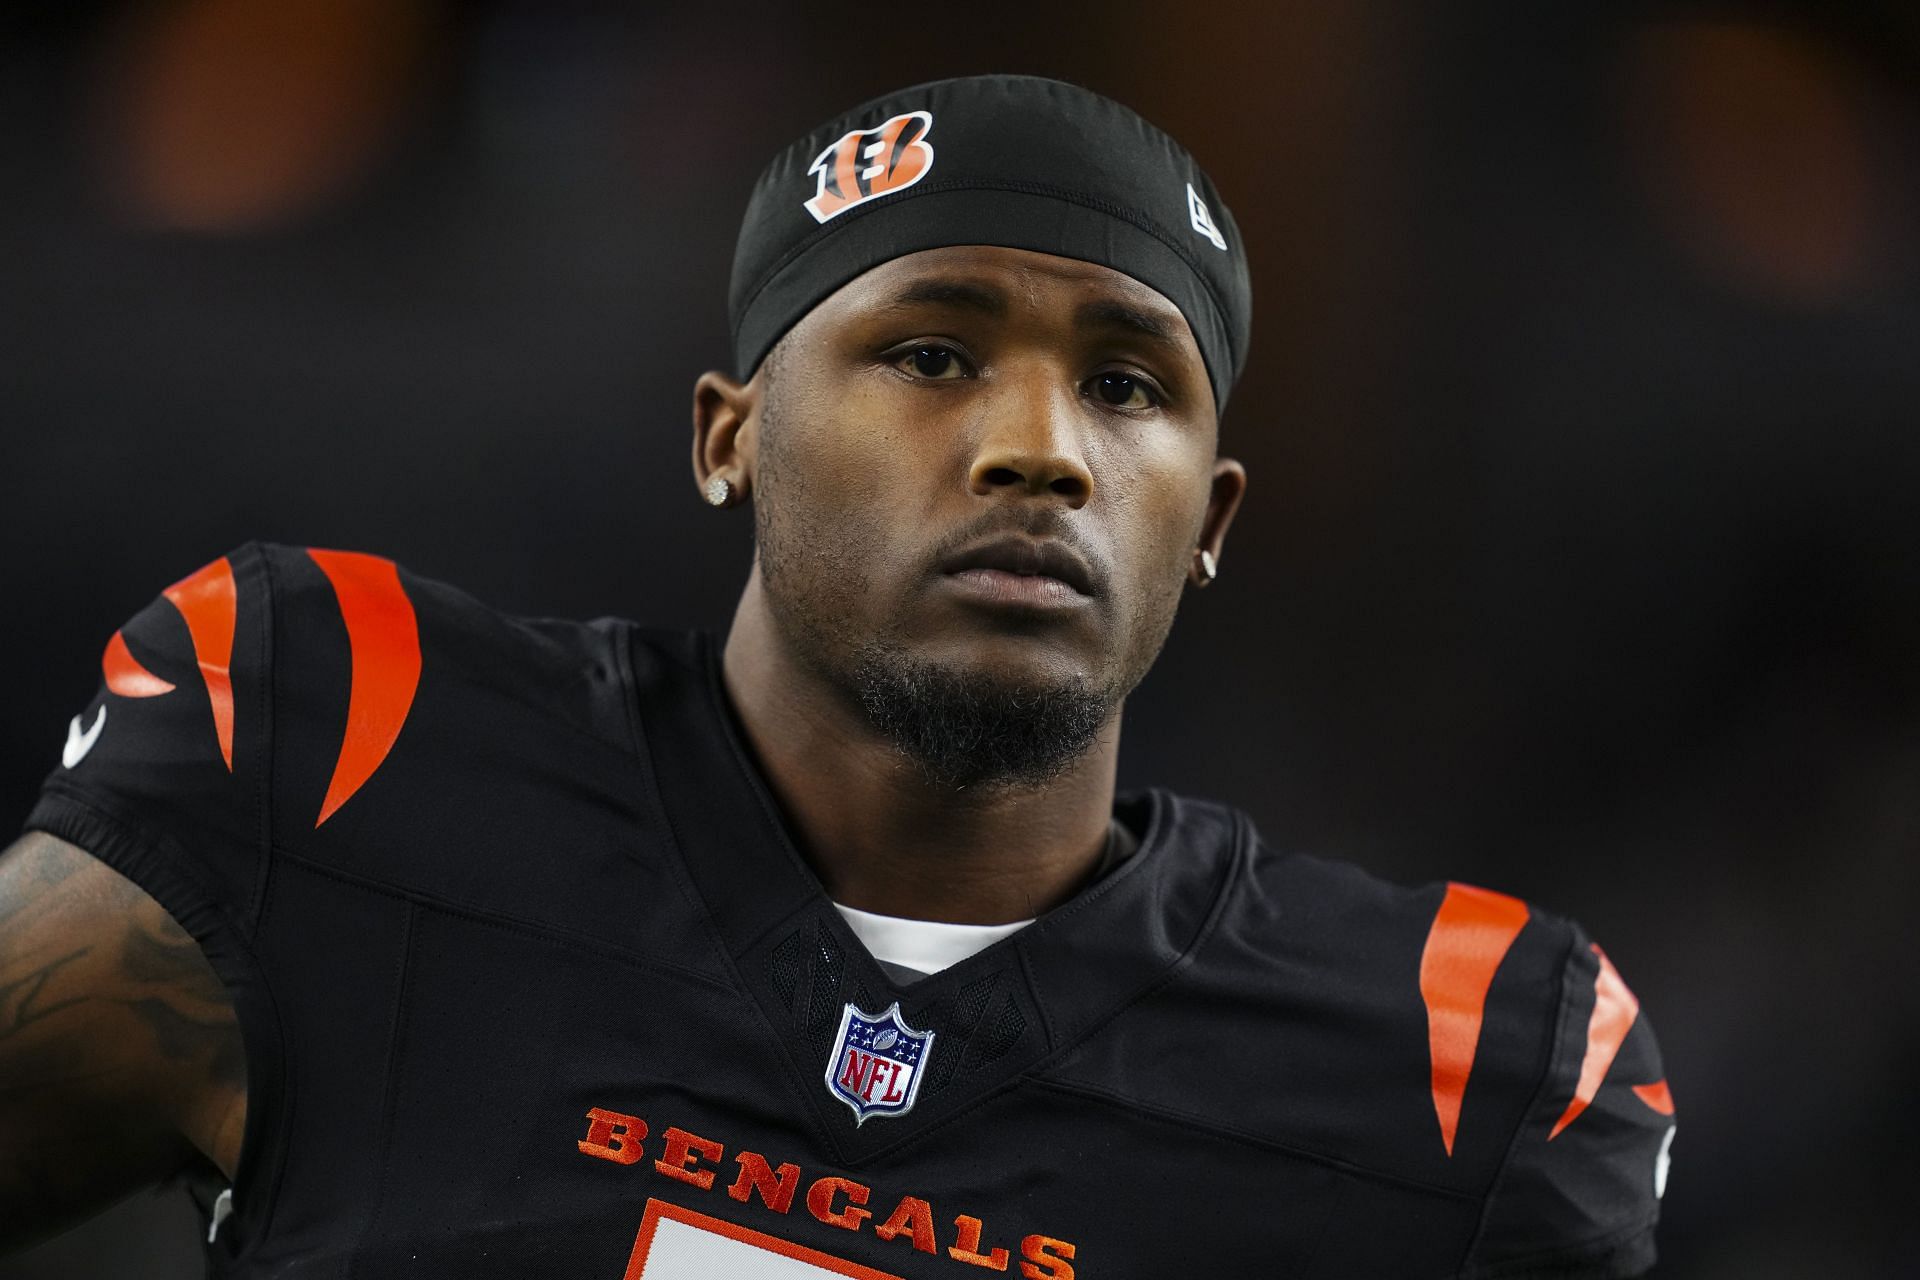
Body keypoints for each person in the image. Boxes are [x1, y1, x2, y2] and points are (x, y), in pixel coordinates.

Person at [0, 75, 1675, 1277]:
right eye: (931, 353)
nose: (1041, 451)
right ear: (731, 438)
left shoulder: (1453, 1075)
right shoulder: (348, 747)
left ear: (1211, 519)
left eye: (1128, 387)